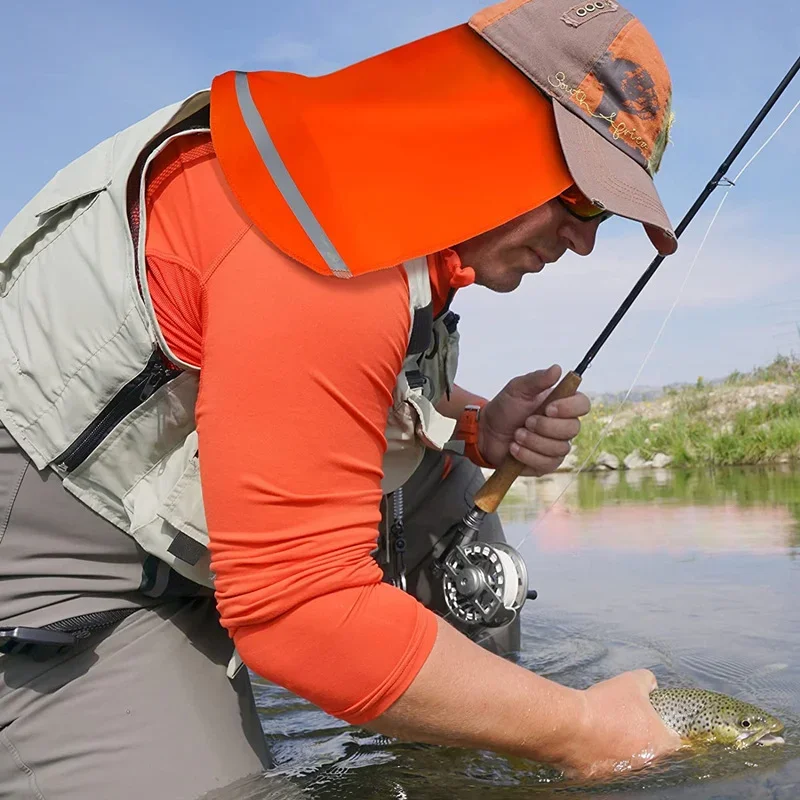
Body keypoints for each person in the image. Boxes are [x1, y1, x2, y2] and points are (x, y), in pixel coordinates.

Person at [0, 1, 683, 797]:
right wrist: (582, 731)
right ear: (483, 123)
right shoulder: (313, 232)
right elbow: (296, 609)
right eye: (580, 197)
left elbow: (313, 384)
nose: (587, 240)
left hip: (198, 518)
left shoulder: (384, 207)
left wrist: (476, 427)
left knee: (455, 487)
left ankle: (451, 753)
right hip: (75, 562)